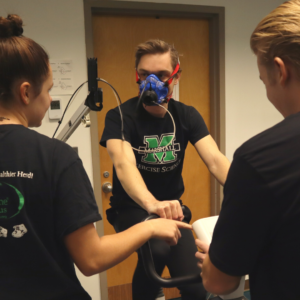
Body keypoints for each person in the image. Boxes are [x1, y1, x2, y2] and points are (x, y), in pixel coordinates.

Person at [0, 14, 192, 300]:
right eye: (50, 90)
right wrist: (151, 223)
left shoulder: (185, 115)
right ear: (26, 92)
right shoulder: (57, 157)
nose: (50, 99)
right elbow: (91, 259)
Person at [100, 39, 230, 300]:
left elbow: (215, 160)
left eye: (161, 75)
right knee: (157, 251)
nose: (152, 82)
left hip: (172, 210)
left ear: (176, 76)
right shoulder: (119, 116)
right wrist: (152, 204)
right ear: (136, 76)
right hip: (133, 209)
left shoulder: (186, 115)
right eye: (146, 74)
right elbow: (124, 164)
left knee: (195, 283)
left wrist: (247, 191)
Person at [195, 1, 300, 299]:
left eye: (262, 80)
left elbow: (220, 283)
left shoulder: (260, 160)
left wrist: (214, 261)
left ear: (280, 71)